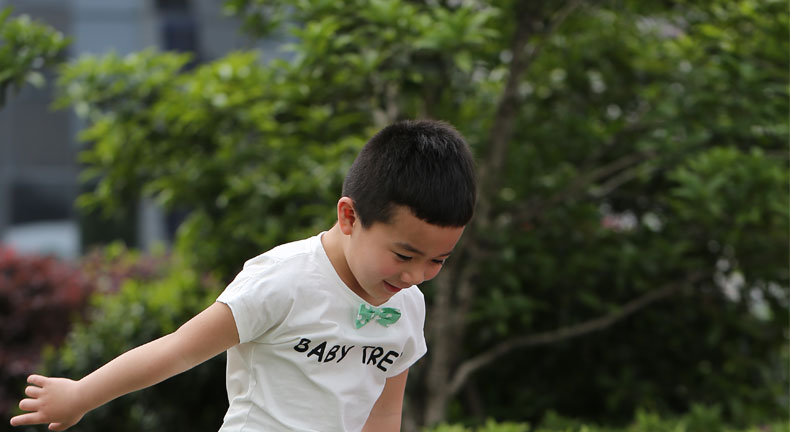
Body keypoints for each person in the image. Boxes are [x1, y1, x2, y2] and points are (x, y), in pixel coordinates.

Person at [9, 119, 477, 431]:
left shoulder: (406, 304)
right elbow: (176, 350)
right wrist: (80, 395)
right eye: (404, 254)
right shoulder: (282, 281)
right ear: (350, 217)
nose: (417, 275)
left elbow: (384, 407)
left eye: (437, 261)